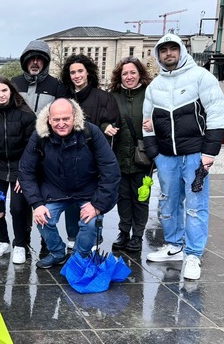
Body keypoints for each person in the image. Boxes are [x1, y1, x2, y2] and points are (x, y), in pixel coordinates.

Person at [142, 34, 224, 280]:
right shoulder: (154, 86)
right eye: (163, 50)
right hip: (166, 156)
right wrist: (154, 154)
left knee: (196, 206)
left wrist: (209, 152)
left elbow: (216, 113)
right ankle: (173, 246)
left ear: (181, 51)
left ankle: (193, 254)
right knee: (167, 203)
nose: (168, 54)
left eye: (173, 49)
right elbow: (146, 124)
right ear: (158, 55)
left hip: (194, 155)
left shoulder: (201, 77)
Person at [18, 99, 119, 269]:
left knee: (92, 221)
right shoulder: (40, 135)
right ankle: (57, 253)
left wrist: (97, 204)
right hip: (55, 190)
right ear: (49, 119)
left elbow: (110, 170)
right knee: (43, 217)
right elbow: (26, 170)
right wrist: (37, 204)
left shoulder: (90, 132)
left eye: (66, 119)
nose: (61, 124)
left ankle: (79, 257)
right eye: (56, 120)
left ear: (74, 117)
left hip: (87, 191)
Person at [60, 54, 120, 249]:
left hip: (92, 158)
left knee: (92, 200)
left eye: (80, 71)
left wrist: (107, 126)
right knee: (70, 199)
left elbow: (111, 121)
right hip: (68, 156)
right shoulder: (64, 98)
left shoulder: (103, 97)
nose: (76, 75)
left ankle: (94, 236)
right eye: (72, 72)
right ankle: (72, 236)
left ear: (88, 73)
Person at [0, 77, 36, 264]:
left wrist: (24, 175)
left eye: (4, 90)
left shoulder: (26, 114)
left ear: (11, 91)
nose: (1, 95)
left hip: (20, 166)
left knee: (18, 208)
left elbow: (32, 147)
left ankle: (19, 244)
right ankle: (3, 242)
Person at [108, 57, 154, 253]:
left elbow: (162, 117)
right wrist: (106, 127)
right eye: (125, 73)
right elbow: (104, 119)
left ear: (140, 74)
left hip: (142, 158)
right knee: (123, 198)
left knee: (141, 198)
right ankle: (124, 232)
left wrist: (154, 123)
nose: (129, 77)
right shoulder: (113, 96)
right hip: (119, 157)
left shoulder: (149, 94)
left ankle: (137, 235)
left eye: (133, 73)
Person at [11, 40, 67, 114]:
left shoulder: (56, 86)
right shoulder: (15, 83)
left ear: (45, 62)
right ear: (26, 60)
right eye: (32, 58)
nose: (35, 62)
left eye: (39, 59)